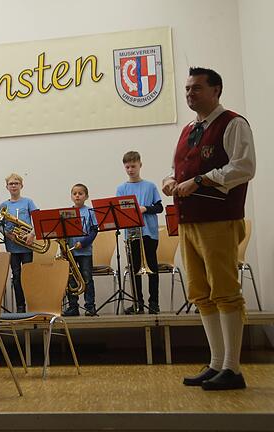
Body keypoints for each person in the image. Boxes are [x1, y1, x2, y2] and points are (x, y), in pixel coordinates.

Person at [162, 67, 255, 391]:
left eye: (197, 88)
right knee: (201, 293)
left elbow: (244, 167)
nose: (190, 93)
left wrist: (201, 180)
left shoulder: (233, 123)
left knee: (225, 291)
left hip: (218, 219)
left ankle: (233, 368)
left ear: (216, 90)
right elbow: (180, 167)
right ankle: (216, 363)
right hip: (190, 222)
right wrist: (171, 180)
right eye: (187, 88)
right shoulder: (189, 128)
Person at [116, 151, 163, 314]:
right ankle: (138, 303)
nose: (130, 170)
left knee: (152, 268)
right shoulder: (122, 188)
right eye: (127, 167)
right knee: (135, 269)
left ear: (140, 165)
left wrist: (145, 209)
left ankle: (154, 303)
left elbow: (159, 207)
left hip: (149, 233)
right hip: (132, 235)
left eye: (133, 166)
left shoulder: (150, 186)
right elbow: (119, 211)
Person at [0, 173, 38, 313]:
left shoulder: (28, 202)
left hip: (27, 246)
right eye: (11, 183)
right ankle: (21, 306)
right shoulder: (4, 205)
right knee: (16, 276)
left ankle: (31, 305)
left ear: (21, 185)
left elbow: (37, 220)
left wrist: (32, 234)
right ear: (7, 187)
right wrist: (7, 233)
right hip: (12, 247)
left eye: (16, 183)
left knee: (28, 277)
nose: (13, 185)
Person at [61, 184, 98, 317]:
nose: (77, 195)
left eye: (80, 193)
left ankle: (90, 306)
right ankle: (73, 307)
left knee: (87, 278)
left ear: (86, 196)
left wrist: (83, 243)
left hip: (85, 251)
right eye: (75, 193)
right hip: (70, 251)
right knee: (70, 279)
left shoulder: (90, 211)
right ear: (71, 196)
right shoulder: (66, 213)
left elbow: (94, 231)